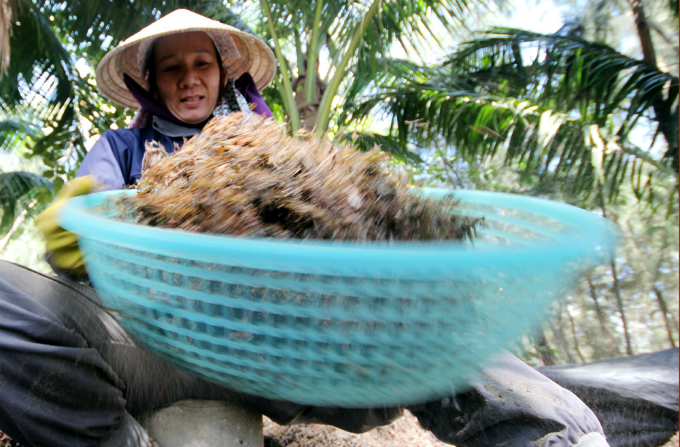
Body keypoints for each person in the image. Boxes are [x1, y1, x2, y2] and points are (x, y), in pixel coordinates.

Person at [0, 9, 610, 447]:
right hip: (161, 342)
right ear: (151, 85)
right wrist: (83, 230)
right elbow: (93, 220)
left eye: (201, 64)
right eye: (172, 69)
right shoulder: (122, 148)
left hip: (286, 345)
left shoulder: (280, 153)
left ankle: (555, 436)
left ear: (222, 74)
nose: (189, 79)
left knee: (424, 309)